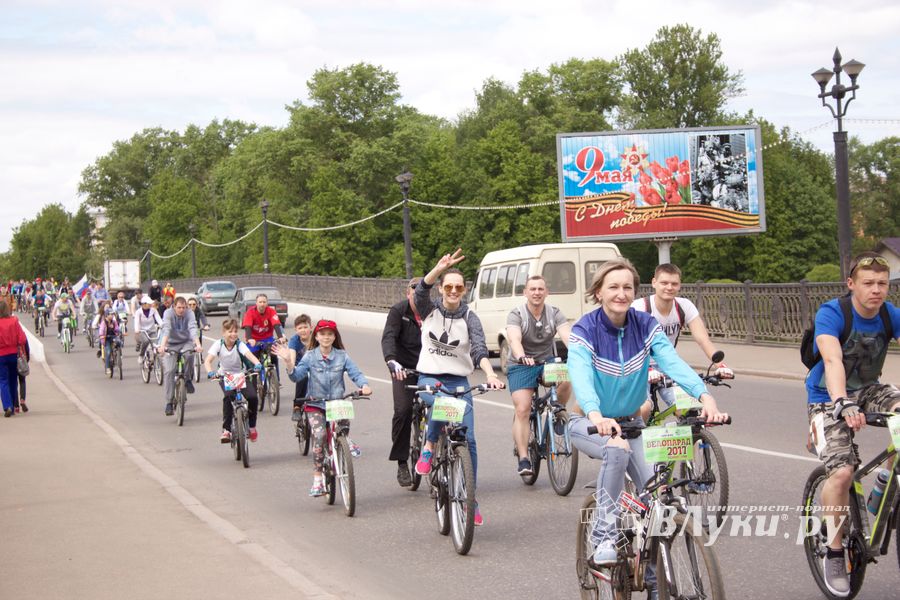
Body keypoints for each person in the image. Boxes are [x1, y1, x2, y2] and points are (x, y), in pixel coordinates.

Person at [566, 258, 726, 589]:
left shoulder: (644, 325)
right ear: (599, 292)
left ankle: (655, 584)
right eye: (613, 287)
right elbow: (580, 377)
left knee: (657, 503)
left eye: (627, 287)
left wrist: (704, 396)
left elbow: (671, 362)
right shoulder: (586, 329)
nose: (621, 294)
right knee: (616, 450)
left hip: (631, 423)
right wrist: (597, 415)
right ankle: (604, 535)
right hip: (589, 423)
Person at [805, 252, 900, 597]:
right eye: (868, 283)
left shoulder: (889, 315)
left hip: (872, 389)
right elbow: (831, 359)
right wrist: (842, 401)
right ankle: (833, 550)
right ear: (851, 284)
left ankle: (885, 483)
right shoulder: (833, 313)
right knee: (842, 473)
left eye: (882, 284)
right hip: (827, 395)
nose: (876, 290)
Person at [412, 249, 505, 527]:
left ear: (464, 291)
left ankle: (470, 498)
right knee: (441, 403)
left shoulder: (470, 317)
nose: (453, 291)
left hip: (459, 381)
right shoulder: (430, 310)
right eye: (448, 286)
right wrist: (438, 268)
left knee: (470, 440)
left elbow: (478, 349)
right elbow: (419, 293)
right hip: (430, 377)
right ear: (441, 289)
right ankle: (429, 445)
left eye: (458, 287)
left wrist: (490, 375)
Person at [275, 320, 371, 496]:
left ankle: (345, 440)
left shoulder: (342, 355)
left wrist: (364, 385)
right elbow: (296, 377)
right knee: (319, 436)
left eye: (330, 334)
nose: (326, 337)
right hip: (315, 404)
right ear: (316, 336)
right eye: (322, 334)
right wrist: (289, 362)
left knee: (343, 425)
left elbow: (355, 373)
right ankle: (318, 479)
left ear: (335, 337)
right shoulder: (310, 356)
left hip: (336, 402)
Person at [632, 263, 733, 421]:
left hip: (667, 364)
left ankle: (694, 441)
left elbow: (702, 338)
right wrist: (649, 368)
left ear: (679, 285)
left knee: (688, 409)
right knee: (643, 410)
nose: (669, 287)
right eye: (664, 283)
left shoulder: (684, 306)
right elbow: (631, 343)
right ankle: (637, 441)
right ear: (654, 283)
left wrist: (720, 365)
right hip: (639, 365)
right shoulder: (640, 307)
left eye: (674, 283)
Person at [506, 274, 572, 476]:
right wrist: (521, 355)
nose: (536, 293)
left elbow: (567, 335)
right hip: (521, 363)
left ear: (546, 292)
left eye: (540, 289)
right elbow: (514, 338)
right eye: (532, 289)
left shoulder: (554, 313)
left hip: (546, 362)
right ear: (525, 292)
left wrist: (578, 355)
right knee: (523, 409)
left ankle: (558, 414)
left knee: (568, 376)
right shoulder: (517, 313)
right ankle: (524, 458)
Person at [381, 277, 423, 487]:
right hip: (403, 369)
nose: (418, 296)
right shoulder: (398, 311)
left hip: (430, 369)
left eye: (422, 293)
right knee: (404, 410)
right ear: (408, 294)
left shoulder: (433, 311)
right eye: (414, 293)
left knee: (443, 406)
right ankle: (401, 462)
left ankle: (444, 453)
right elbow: (388, 337)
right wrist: (391, 361)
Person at [204, 319, 263, 443]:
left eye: (235, 331)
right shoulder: (218, 344)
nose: (233, 334)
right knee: (228, 398)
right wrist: (210, 372)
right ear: (223, 333)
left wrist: (257, 363)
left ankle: (252, 427)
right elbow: (208, 361)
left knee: (252, 397)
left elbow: (249, 355)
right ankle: (227, 430)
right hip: (225, 376)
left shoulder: (239, 344)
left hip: (241, 375)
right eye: (230, 331)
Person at [157, 297, 203, 416]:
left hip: (186, 342)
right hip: (170, 343)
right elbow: (166, 330)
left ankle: (187, 379)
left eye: (183, 307)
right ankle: (169, 402)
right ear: (174, 307)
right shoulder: (168, 313)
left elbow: (193, 328)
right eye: (179, 307)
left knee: (189, 354)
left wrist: (198, 345)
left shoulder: (190, 313)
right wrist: (162, 347)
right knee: (169, 371)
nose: (181, 310)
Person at [241, 293, 286, 393]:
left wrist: (280, 337)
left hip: (268, 339)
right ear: (256, 303)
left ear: (267, 303)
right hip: (254, 340)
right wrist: (249, 339)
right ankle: (253, 381)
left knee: (274, 356)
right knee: (253, 360)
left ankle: (276, 380)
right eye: (260, 302)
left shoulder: (271, 311)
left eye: (264, 302)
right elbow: (247, 326)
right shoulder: (250, 312)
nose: (262, 304)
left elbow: (276, 325)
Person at [0, 300, 27, 417]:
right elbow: (22, 339)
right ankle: (12, 405)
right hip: (13, 354)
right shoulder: (14, 321)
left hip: (1, 355)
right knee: (13, 380)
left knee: (3, 380)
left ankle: (7, 407)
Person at [288, 314, 312, 420]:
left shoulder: (317, 338)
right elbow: (292, 356)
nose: (303, 330)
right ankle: (297, 406)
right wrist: (292, 367)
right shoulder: (294, 341)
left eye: (305, 327)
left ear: (311, 327)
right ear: (296, 330)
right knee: (303, 376)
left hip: (316, 366)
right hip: (300, 367)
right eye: (300, 328)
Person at [134, 296, 163, 361]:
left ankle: (155, 360)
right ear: (143, 304)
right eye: (148, 303)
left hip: (152, 330)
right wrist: (137, 330)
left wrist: (162, 326)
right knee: (145, 341)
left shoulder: (153, 310)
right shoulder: (138, 312)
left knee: (156, 345)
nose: (150, 304)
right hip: (142, 331)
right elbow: (137, 322)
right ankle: (141, 355)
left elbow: (159, 320)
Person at [98, 308, 122, 376]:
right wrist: (102, 336)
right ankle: (108, 367)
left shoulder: (114, 322)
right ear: (106, 315)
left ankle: (119, 355)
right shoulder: (103, 322)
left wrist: (118, 331)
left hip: (113, 337)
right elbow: (101, 331)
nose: (112, 316)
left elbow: (117, 329)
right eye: (110, 314)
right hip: (106, 338)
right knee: (108, 352)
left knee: (119, 342)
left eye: (112, 314)